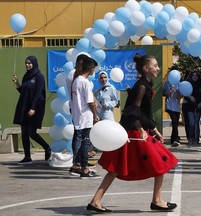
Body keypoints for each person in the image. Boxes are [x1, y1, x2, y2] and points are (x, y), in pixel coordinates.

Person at [86, 53, 178, 213]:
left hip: (135, 130)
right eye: (155, 66)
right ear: (146, 69)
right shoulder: (142, 86)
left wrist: (154, 130)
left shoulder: (145, 84)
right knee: (160, 162)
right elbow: (132, 110)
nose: (157, 68)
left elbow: (143, 113)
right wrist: (142, 131)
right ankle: (156, 200)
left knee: (119, 167)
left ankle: (97, 200)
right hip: (132, 132)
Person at [12, 56, 51, 164]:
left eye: (29, 63)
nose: (27, 65)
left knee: (31, 132)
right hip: (24, 107)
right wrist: (17, 83)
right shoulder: (26, 76)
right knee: (24, 132)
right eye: (26, 63)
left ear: (34, 63)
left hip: (36, 108)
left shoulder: (39, 77)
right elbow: (24, 92)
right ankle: (27, 157)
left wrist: (33, 108)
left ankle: (47, 147)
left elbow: (39, 94)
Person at [66, 54, 98, 176]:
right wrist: (95, 115)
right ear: (91, 70)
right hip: (85, 117)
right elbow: (90, 102)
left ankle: (78, 164)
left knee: (80, 139)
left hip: (78, 115)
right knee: (85, 142)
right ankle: (84, 168)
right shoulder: (84, 82)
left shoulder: (76, 81)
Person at [163, 68, 182, 147]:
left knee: (175, 123)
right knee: (174, 122)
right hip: (169, 106)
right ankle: (176, 139)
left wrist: (175, 91)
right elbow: (163, 93)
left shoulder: (180, 84)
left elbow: (180, 97)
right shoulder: (167, 83)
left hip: (177, 106)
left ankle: (173, 138)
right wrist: (168, 93)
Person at [182, 71, 201, 145]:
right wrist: (189, 97)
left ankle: (196, 140)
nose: (195, 77)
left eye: (196, 75)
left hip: (198, 107)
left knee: (197, 123)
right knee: (191, 123)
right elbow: (185, 95)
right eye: (193, 75)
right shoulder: (188, 84)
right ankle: (191, 138)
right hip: (190, 107)